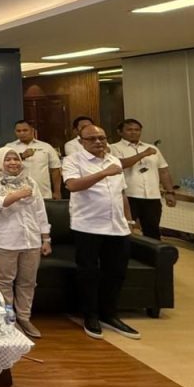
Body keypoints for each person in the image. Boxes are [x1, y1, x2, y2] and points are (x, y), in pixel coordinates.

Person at [62, 124, 140, 341]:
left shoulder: (113, 160)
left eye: (102, 138)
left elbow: (121, 194)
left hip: (117, 226)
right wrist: (103, 173)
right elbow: (73, 186)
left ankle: (109, 314)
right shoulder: (73, 160)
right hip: (88, 226)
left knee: (116, 272)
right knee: (88, 273)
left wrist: (129, 221)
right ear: (81, 141)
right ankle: (90, 316)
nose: (98, 142)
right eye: (92, 139)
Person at [0, 148, 51, 338]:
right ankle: (8, 319)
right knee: (4, 281)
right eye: (8, 159)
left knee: (28, 282)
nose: (13, 162)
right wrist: (18, 195)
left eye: (16, 159)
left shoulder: (30, 181)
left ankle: (24, 317)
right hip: (4, 238)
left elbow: (40, 210)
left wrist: (46, 238)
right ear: (0, 162)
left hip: (31, 239)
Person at [110, 118, 176, 240]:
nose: (134, 132)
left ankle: (151, 252)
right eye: (129, 130)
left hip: (152, 196)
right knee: (125, 230)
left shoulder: (152, 148)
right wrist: (143, 154)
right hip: (128, 196)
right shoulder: (113, 148)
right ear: (120, 132)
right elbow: (120, 164)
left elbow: (164, 171)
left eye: (137, 130)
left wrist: (170, 192)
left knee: (153, 231)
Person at [6, 121, 62, 199]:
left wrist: (57, 191)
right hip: (17, 194)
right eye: (18, 131)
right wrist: (21, 156)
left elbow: (55, 169)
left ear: (32, 131)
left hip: (43, 194)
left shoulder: (46, 147)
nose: (22, 133)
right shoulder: (9, 147)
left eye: (25, 130)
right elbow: (2, 168)